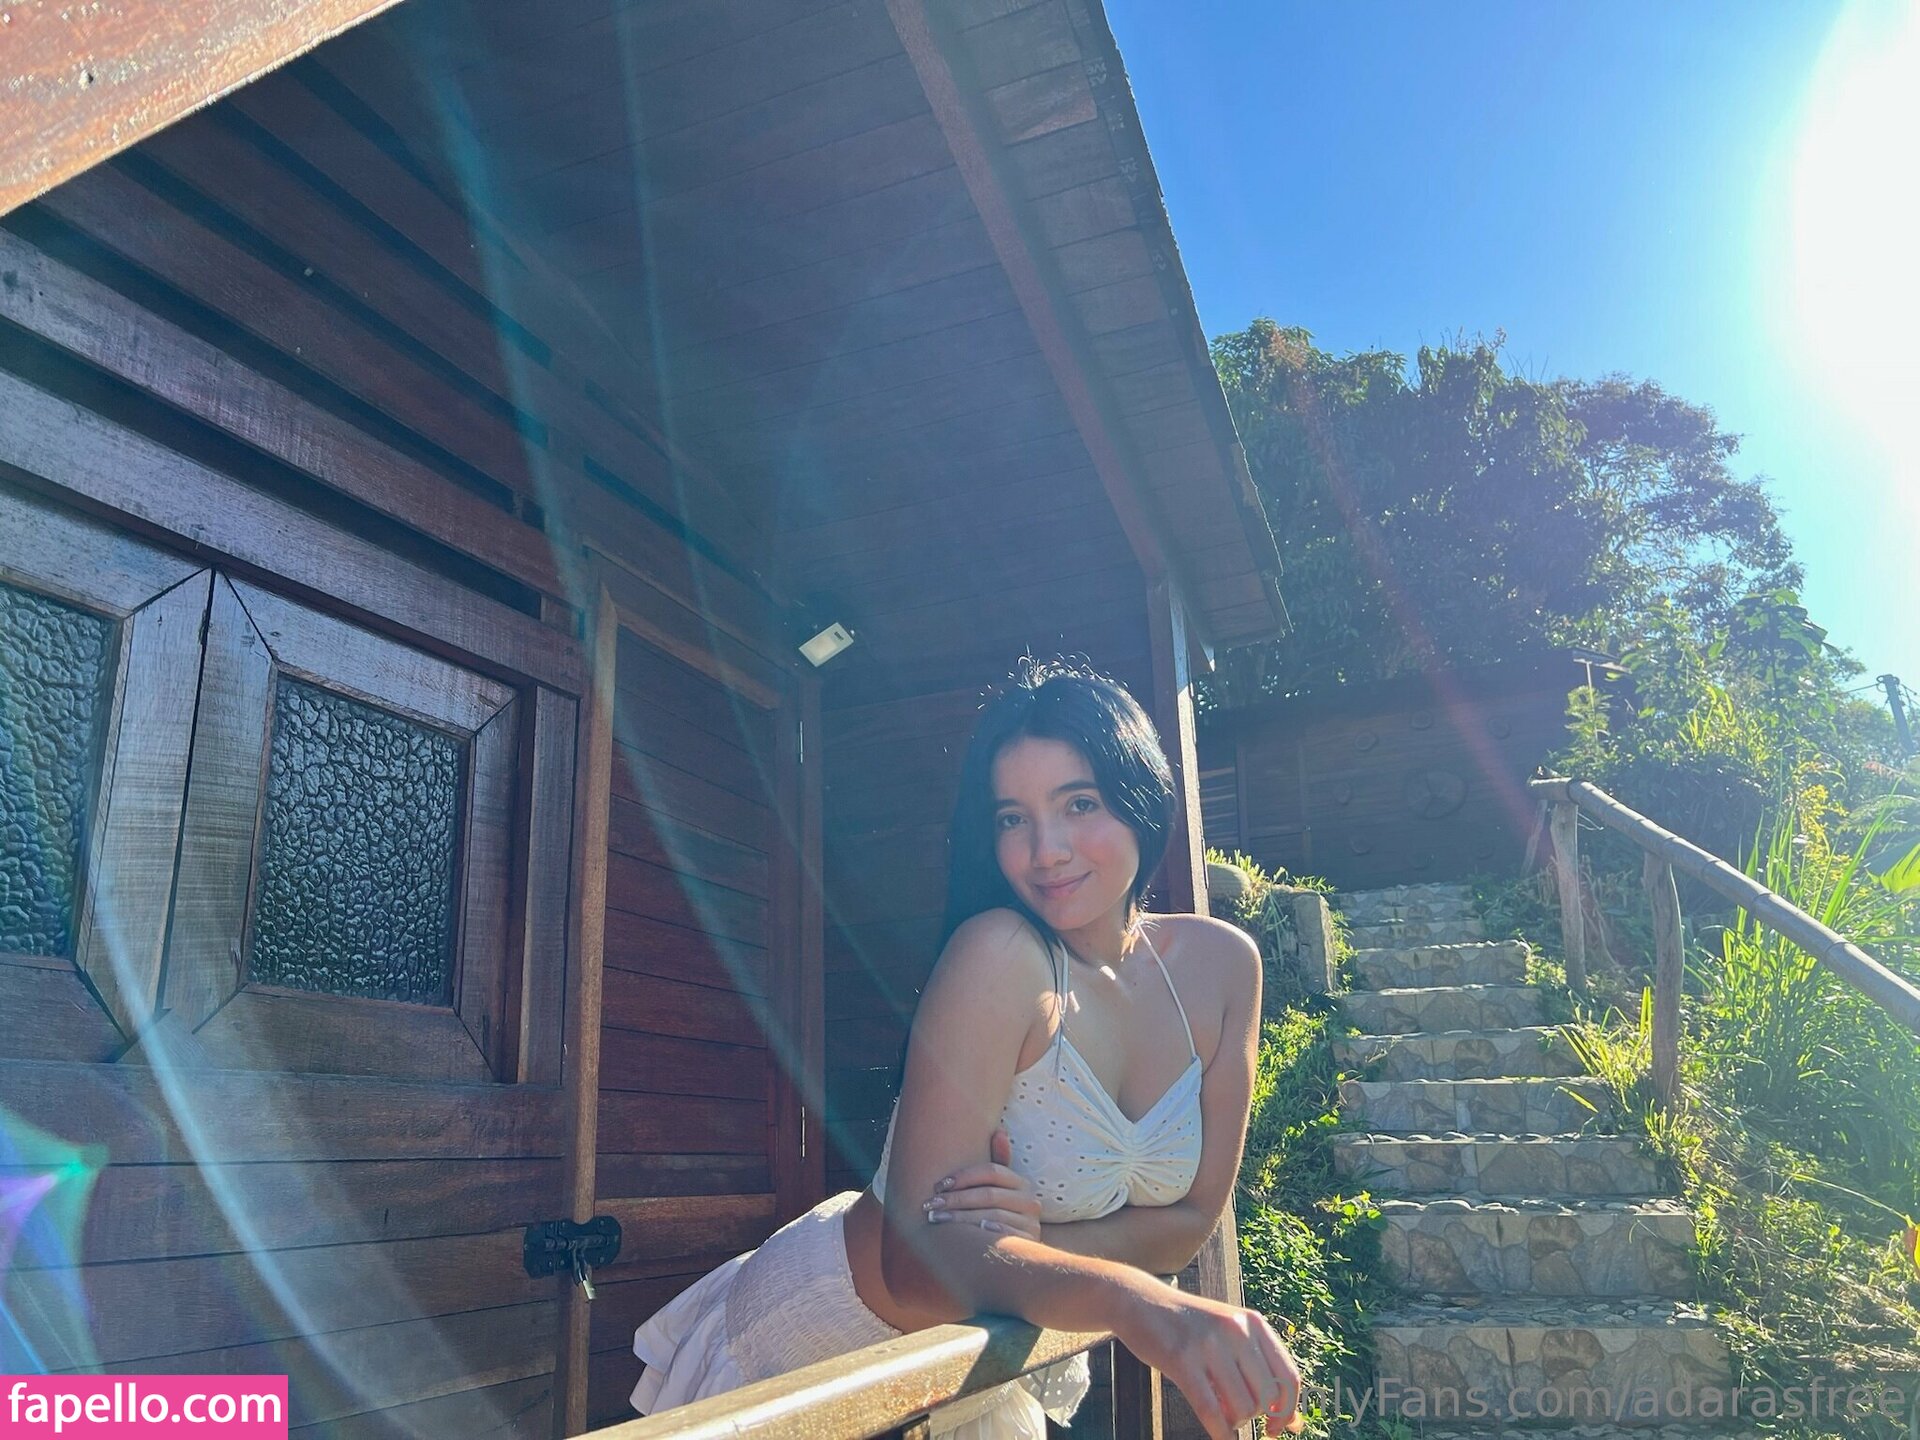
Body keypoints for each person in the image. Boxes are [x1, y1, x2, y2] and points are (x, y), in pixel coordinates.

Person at [631, 659, 1302, 1439]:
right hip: (822, 1347)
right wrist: (1130, 1296)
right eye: (1013, 818)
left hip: (970, 1375)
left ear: (1143, 796)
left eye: (1079, 803)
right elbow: (915, 1269)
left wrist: (1027, 1242)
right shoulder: (1001, 953)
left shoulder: (1222, 967)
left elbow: (1190, 1221)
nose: (1046, 850)